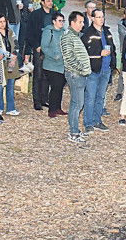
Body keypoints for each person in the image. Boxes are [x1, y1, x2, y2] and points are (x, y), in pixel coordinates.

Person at [81, 9, 115, 133]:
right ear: (92, 18)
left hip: (106, 69)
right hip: (93, 70)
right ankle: (88, 123)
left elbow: (113, 48)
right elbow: (83, 52)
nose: (101, 19)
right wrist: (98, 53)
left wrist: (113, 63)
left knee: (100, 97)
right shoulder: (87, 33)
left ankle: (97, 120)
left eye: (102, 17)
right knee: (90, 97)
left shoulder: (107, 32)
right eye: (99, 17)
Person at [60, 11, 92, 142]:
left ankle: (75, 129)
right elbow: (69, 57)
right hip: (75, 75)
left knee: (78, 103)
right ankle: (73, 133)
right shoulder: (67, 36)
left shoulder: (75, 36)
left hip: (80, 74)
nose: (82, 24)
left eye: (83, 22)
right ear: (72, 22)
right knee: (77, 104)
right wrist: (82, 69)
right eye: (80, 22)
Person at [27, 0, 54, 110]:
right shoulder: (35, 15)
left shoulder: (54, 15)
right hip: (39, 48)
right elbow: (29, 32)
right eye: (48, 1)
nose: (50, 3)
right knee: (38, 74)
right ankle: (37, 101)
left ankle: (44, 99)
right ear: (42, 2)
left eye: (51, 1)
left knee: (47, 75)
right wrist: (36, 45)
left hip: (51, 49)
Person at [41, 11, 67, 118]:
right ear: (54, 21)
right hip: (51, 65)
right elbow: (44, 47)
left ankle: (58, 107)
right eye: (59, 21)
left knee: (60, 86)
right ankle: (52, 109)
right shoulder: (48, 32)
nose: (61, 23)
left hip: (62, 65)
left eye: (63, 21)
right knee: (55, 86)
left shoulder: (64, 32)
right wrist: (54, 55)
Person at [0, 14, 21, 116]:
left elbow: (16, 44)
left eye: (4, 22)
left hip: (12, 61)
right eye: (0, 22)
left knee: (10, 86)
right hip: (0, 62)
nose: (2, 24)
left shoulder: (10, 31)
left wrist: (14, 56)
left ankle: (11, 108)